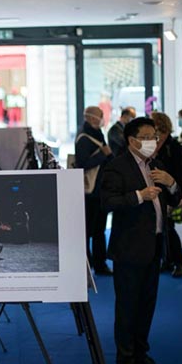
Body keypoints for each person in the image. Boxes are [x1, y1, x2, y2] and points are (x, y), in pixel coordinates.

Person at [100, 117, 182, 364]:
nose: (152, 141)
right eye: (146, 137)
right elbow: (107, 202)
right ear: (132, 140)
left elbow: (177, 199)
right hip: (129, 249)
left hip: (155, 246)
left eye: (155, 136)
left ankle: (141, 356)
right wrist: (138, 195)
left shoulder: (155, 165)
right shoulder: (117, 167)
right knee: (127, 309)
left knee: (147, 306)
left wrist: (171, 183)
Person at [75, 106, 113, 275]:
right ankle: (90, 263)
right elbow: (82, 163)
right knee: (91, 230)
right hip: (91, 192)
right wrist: (102, 155)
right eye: (99, 116)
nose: (102, 119)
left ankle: (97, 262)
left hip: (100, 189)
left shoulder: (96, 134)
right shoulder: (84, 138)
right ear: (91, 118)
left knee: (98, 229)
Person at [151, 112, 182, 278]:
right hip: (157, 194)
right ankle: (166, 261)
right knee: (163, 228)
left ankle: (179, 262)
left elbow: (180, 175)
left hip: (172, 193)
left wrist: (173, 190)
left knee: (170, 229)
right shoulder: (154, 144)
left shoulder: (174, 147)